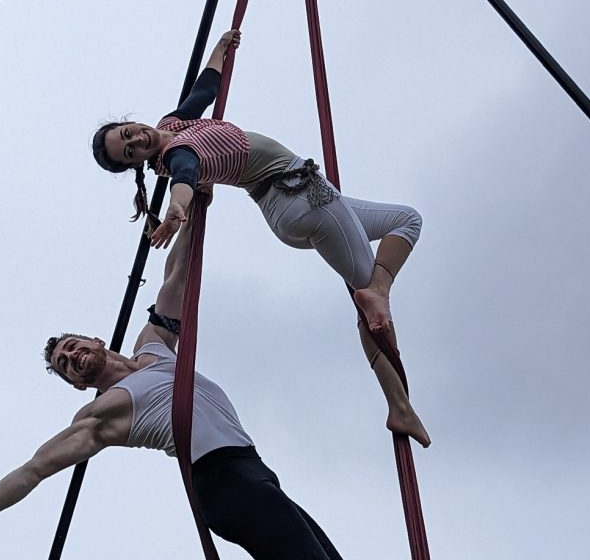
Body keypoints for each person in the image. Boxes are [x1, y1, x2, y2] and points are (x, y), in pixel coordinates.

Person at [0, 221, 490, 560]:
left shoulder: (155, 346)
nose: (75, 359)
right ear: (77, 385)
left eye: (75, 348)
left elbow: (180, 268)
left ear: (97, 339)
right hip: (223, 483)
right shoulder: (101, 414)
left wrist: (191, 196)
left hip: (254, 473)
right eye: (66, 367)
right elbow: (33, 470)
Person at [90, 28, 431, 448]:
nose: (136, 141)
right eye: (130, 152)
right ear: (137, 163)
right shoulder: (176, 156)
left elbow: (204, 91)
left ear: (130, 123)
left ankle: (377, 291)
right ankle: (399, 405)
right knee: (371, 305)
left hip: (300, 200)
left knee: (405, 221)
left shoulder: (173, 125)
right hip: (301, 198)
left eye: (127, 134)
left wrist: (219, 49)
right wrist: (177, 211)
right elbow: (184, 178)